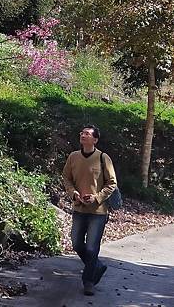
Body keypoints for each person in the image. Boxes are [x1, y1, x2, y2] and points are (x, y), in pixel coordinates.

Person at [62, 124, 117, 296]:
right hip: (79, 209)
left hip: (98, 212)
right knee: (77, 243)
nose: (83, 135)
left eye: (87, 133)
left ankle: (88, 281)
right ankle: (97, 267)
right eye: (82, 133)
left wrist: (97, 197)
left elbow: (112, 183)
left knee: (92, 248)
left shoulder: (103, 158)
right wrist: (73, 193)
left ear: (95, 139)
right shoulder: (73, 157)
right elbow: (66, 178)